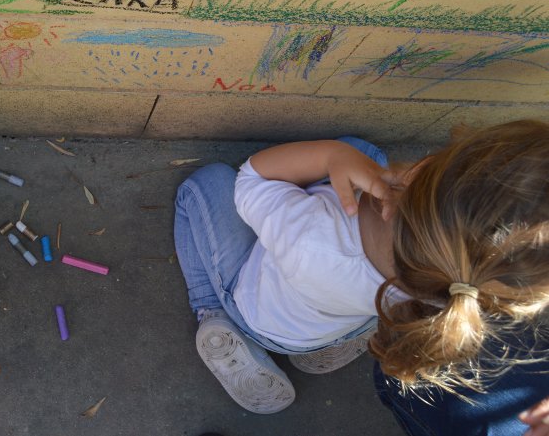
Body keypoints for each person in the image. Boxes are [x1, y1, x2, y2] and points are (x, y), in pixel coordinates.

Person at [174, 120, 549, 419]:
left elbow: (252, 178)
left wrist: (331, 156)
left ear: (423, 170)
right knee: (363, 153)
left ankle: (212, 311)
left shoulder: (311, 233)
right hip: (332, 323)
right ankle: (316, 354)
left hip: (258, 314)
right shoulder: (456, 289)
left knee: (205, 184)